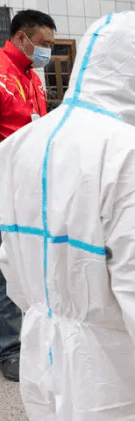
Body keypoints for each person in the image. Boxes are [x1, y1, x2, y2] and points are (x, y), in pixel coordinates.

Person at [0, 12, 135, 421]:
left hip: (42, 348)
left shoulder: (18, 144)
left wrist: (44, 312)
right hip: (111, 366)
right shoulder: (131, 151)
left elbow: (9, 261)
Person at [0, 9, 55, 383]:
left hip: (28, 184)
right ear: (22, 37)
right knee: (6, 265)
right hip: (4, 183)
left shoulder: (32, 78)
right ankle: (9, 348)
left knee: (27, 261)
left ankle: (28, 338)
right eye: (45, 44)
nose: (47, 52)